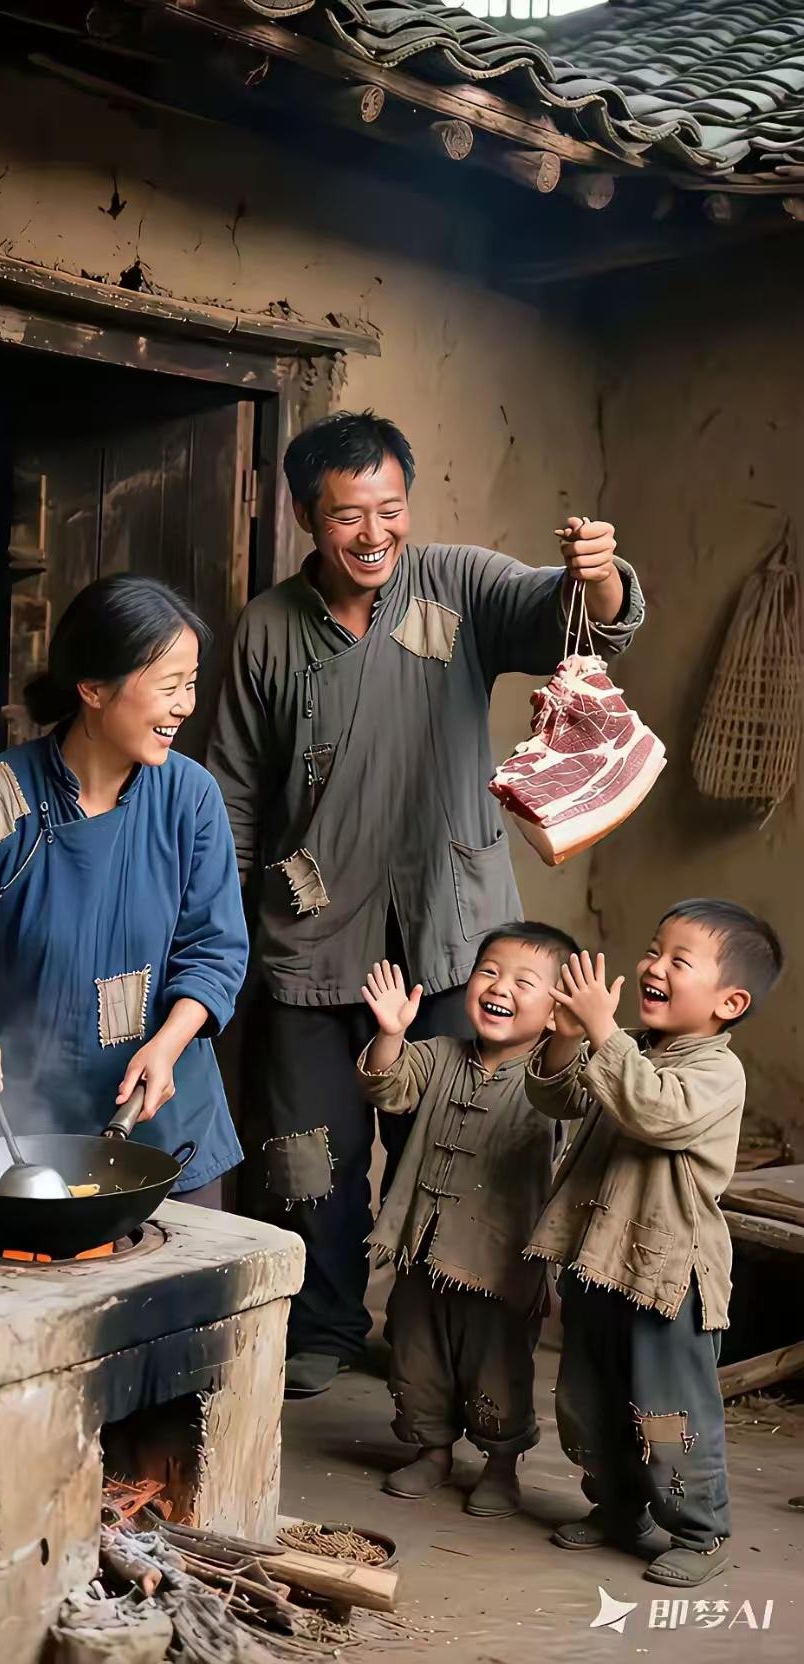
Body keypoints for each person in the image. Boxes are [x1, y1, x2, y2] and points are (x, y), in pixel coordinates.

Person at [208, 408, 644, 1396]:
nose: (373, 535)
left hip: (454, 938)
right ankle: (320, 1328)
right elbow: (234, 787)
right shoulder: (272, 626)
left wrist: (600, 572)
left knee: (460, 1145)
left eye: (390, 509)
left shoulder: (453, 582)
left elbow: (580, 619)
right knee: (306, 1154)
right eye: (348, 515)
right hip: (312, 938)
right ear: (306, 519)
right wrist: (223, 935)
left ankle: (446, 1346)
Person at [0, 575, 248, 1205]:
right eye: (167, 687)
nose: (185, 705)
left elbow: (215, 954)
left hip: (156, 1129)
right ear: (94, 689)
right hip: (12, 1133)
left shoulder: (192, 800)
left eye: (190, 684)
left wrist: (167, 1044)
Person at [524, 901, 783, 1588]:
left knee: (667, 1412)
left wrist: (603, 1033)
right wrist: (564, 1038)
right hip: (600, 1258)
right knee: (590, 1395)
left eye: (678, 960)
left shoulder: (717, 1075)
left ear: (729, 1001)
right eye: (652, 950)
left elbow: (656, 1113)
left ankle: (699, 1531)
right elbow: (559, 1100)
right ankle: (616, 1507)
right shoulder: (629, 1045)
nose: (652, 967)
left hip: (668, 1278)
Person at [357, 923, 580, 1516]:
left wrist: (570, 1036)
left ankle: (501, 1464)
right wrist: (389, 1035)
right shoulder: (438, 1053)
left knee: (497, 1367)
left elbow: (565, 1086)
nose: (498, 986)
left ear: (557, 1009)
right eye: (489, 971)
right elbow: (388, 1087)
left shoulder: (550, 1078)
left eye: (523, 982)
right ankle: (431, 1451)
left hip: (498, 1263)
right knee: (415, 1355)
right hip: (421, 1250)